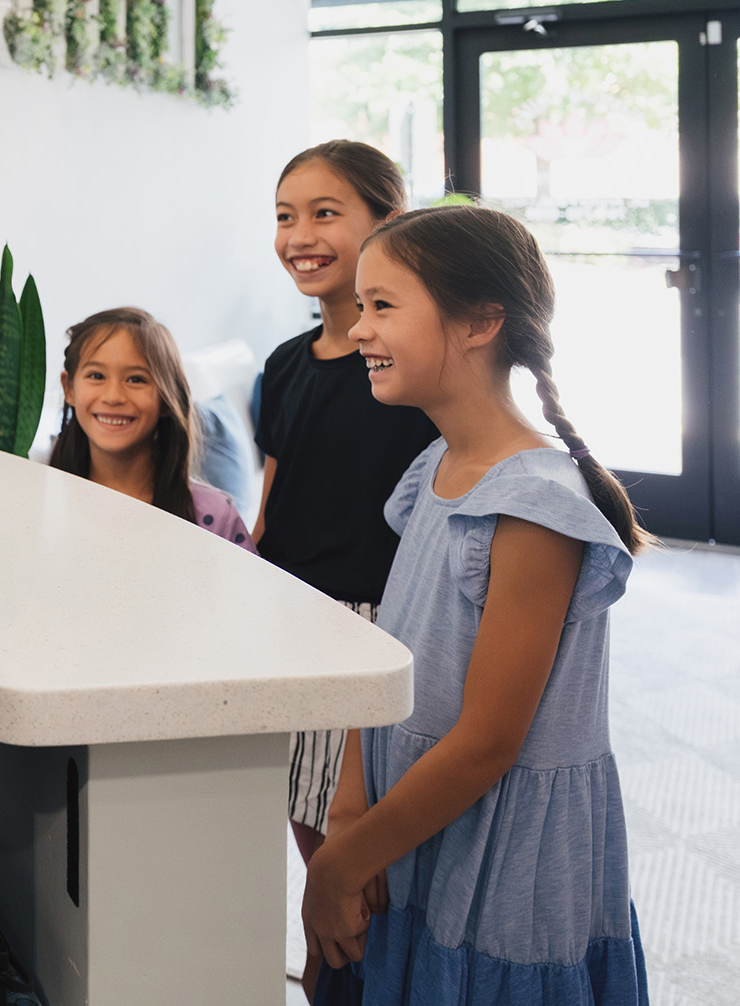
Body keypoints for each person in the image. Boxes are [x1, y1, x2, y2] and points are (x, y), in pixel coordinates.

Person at [301, 203, 648, 1003]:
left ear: (480, 322)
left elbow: (490, 742)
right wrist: (350, 814)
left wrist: (337, 866)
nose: (358, 329)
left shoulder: (532, 504)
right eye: (360, 307)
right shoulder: (433, 469)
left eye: (383, 306)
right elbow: (391, 645)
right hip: (411, 819)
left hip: (500, 854)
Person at [255, 141, 440, 996]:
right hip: (288, 628)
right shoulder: (286, 365)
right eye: (286, 216)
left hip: (373, 634)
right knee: (312, 846)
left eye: (325, 213)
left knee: (361, 871)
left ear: (386, 224)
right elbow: (274, 501)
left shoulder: (404, 376)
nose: (301, 235)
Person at [49, 307, 254, 549]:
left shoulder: (213, 515)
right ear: (69, 388)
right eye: (96, 375)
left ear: (167, 399)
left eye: (136, 379)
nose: (113, 396)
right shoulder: (39, 500)